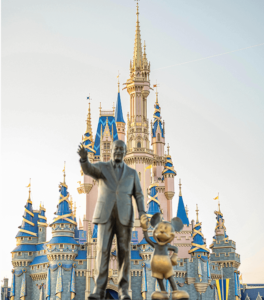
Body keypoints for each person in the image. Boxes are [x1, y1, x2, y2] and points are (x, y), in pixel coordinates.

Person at [78, 140, 147, 300]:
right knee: (102, 251)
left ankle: (123, 291)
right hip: (105, 215)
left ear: (125, 152)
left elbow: (139, 194)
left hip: (124, 216)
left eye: (121, 150)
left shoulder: (132, 173)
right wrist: (83, 160)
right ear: (111, 151)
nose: (117, 152)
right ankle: (98, 289)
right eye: (115, 149)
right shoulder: (102, 167)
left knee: (124, 252)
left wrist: (142, 212)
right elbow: (89, 169)